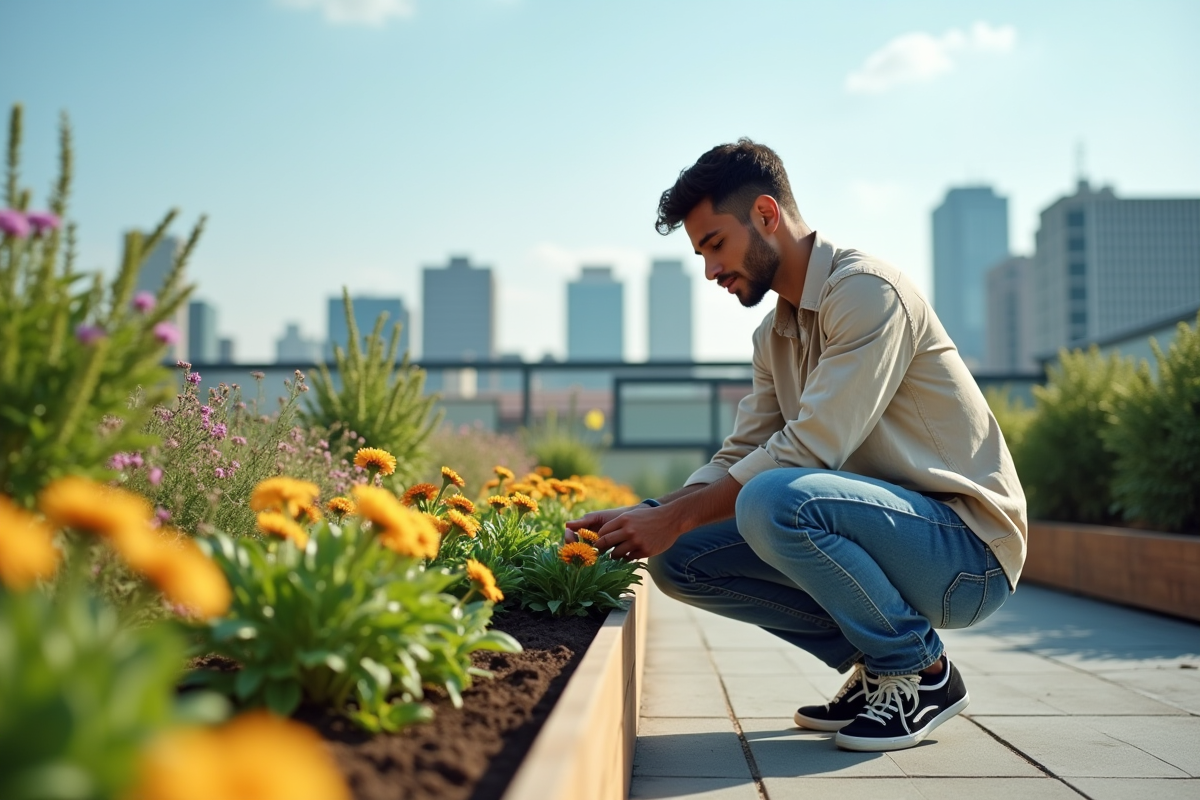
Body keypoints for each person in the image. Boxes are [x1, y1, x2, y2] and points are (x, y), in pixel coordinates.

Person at [566, 139, 1027, 753]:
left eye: (714, 245)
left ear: (765, 215)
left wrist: (673, 516)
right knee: (681, 557)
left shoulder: (866, 293)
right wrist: (653, 516)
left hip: (968, 553)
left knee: (775, 500)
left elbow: (810, 450)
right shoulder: (774, 336)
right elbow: (739, 456)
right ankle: (879, 663)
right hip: (892, 533)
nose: (709, 271)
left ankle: (921, 671)